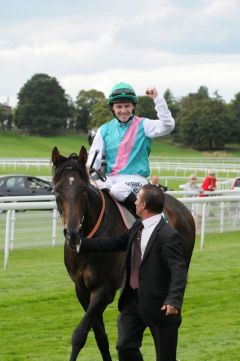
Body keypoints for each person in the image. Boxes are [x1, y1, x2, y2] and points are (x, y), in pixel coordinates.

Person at [79, 184, 188, 361]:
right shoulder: (138, 226)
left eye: (137, 199)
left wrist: (173, 300)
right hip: (132, 302)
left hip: (160, 306)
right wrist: (81, 244)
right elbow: (115, 243)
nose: (134, 202)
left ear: (144, 205)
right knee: (124, 347)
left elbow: (179, 270)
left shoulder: (168, 235)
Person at [87, 82, 175, 212]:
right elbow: (93, 162)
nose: (123, 111)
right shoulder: (103, 130)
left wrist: (157, 98)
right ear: (113, 108)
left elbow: (168, 125)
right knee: (90, 190)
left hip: (136, 180)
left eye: (127, 106)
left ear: (133, 106)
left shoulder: (144, 125)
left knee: (118, 190)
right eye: (119, 107)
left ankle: (146, 217)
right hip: (111, 179)